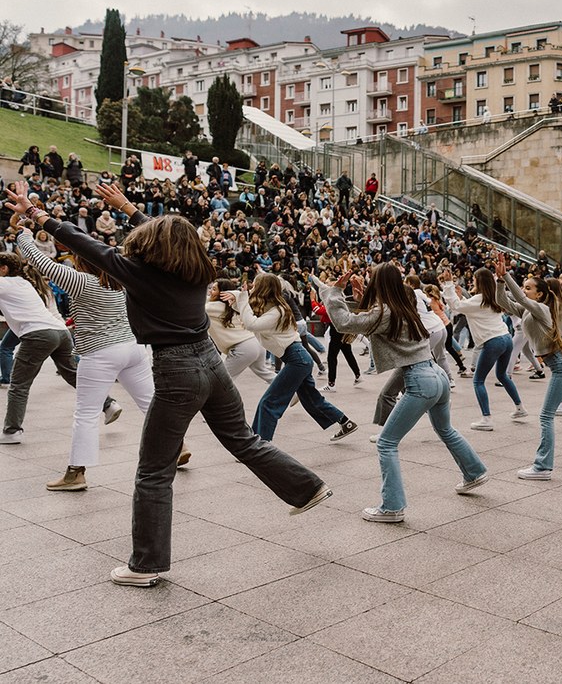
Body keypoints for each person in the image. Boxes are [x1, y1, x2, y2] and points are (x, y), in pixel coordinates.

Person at [5, 180, 332, 588]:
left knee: (153, 471)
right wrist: (128, 207)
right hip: (210, 361)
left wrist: (36, 215)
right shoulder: (198, 268)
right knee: (244, 440)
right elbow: (179, 238)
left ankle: (146, 565)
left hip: (176, 369)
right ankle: (308, 487)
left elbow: (84, 244)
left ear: (155, 247)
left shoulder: (139, 273)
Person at [319, 264, 490, 523]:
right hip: (437, 375)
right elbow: (373, 318)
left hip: (420, 380)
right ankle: (474, 472)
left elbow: (345, 323)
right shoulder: (406, 304)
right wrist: (361, 296)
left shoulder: (385, 311)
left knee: (387, 443)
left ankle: (392, 507)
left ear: (378, 284)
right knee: (446, 430)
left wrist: (335, 292)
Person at [16, 223, 158, 490]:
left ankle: (76, 473)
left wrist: (22, 235)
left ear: (82, 262)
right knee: (150, 402)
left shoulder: (80, 280)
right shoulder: (124, 279)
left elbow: (40, 262)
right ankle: (178, 445)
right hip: (133, 347)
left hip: (101, 352)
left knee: (86, 413)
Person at [495, 257, 562, 480]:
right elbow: (503, 301)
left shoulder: (541, 309)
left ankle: (542, 466)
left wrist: (507, 276)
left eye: (529, 288)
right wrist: (500, 281)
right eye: (524, 287)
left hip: (561, 363)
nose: (525, 291)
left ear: (540, 294)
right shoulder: (528, 310)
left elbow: (519, 298)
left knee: (546, 416)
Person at [222, 273, 357, 443]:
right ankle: (346, 423)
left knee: (269, 402)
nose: (252, 288)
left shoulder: (277, 311)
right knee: (312, 400)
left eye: (255, 285)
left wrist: (240, 299)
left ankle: (258, 445)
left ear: (264, 288)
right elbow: (249, 313)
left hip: (297, 359)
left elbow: (251, 323)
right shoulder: (272, 308)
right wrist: (236, 300)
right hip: (298, 359)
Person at [441, 267, 526, 431]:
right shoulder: (493, 297)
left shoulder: (479, 299)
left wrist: (448, 283)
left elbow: (455, 305)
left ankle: (487, 419)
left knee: (478, 380)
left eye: (474, 279)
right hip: (506, 338)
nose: (472, 281)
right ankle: (520, 407)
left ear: (478, 282)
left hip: (493, 341)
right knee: (502, 375)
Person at [206, 279, 275, 384]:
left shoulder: (211, 307)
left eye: (214, 289)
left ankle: (230, 401)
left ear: (223, 294)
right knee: (265, 373)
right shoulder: (236, 305)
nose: (210, 291)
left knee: (221, 381)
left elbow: (196, 305)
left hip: (243, 347)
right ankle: (294, 391)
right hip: (257, 343)